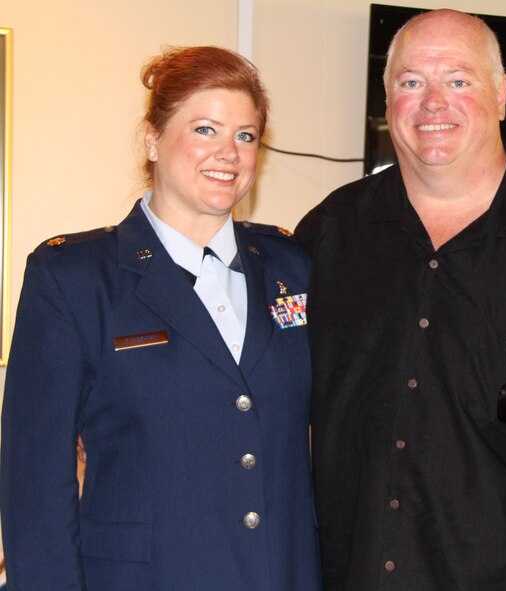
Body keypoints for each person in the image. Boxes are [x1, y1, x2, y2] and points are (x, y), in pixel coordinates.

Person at [295, 9, 506, 591]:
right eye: (412, 82)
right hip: (346, 572)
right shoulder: (329, 232)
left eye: (459, 81)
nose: (433, 103)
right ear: (388, 100)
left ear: (502, 95)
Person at [0, 46, 320, 590]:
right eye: (204, 129)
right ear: (152, 139)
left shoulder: (293, 265)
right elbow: (35, 482)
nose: (229, 152)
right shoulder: (75, 279)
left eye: (245, 135)